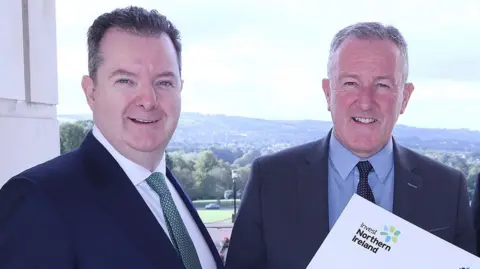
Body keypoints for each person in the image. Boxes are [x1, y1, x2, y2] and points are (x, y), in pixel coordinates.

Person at [225, 22, 476, 269]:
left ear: (405, 98)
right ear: (327, 93)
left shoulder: (447, 188)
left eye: (382, 85)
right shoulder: (270, 180)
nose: (366, 102)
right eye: (350, 83)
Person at [0, 6, 224, 269]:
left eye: (164, 82)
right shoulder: (38, 200)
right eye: (126, 81)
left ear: (180, 89)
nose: (148, 101)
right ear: (91, 92)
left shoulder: (168, 193)